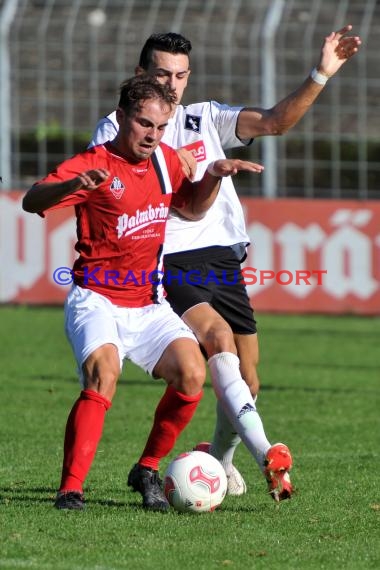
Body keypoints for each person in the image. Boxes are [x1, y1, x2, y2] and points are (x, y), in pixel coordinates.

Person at [90, 27, 361, 502]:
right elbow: (182, 206)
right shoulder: (120, 129)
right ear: (140, 76)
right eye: (160, 74)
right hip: (169, 259)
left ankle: (218, 461)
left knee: (248, 380)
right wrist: (209, 176)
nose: (172, 86)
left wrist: (322, 73)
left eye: (180, 76)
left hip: (223, 259)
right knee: (216, 340)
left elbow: (276, 121)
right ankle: (268, 458)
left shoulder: (206, 119)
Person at [22, 75, 264, 511]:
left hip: (146, 301)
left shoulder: (165, 161)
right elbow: (33, 199)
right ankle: (70, 489)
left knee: (193, 373)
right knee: (104, 374)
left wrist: (212, 174)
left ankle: (147, 468)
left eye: (159, 126)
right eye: (143, 124)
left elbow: (189, 207)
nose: (151, 134)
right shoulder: (94, 161)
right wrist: (72, 187)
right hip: (96, 297)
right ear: (120, 119)